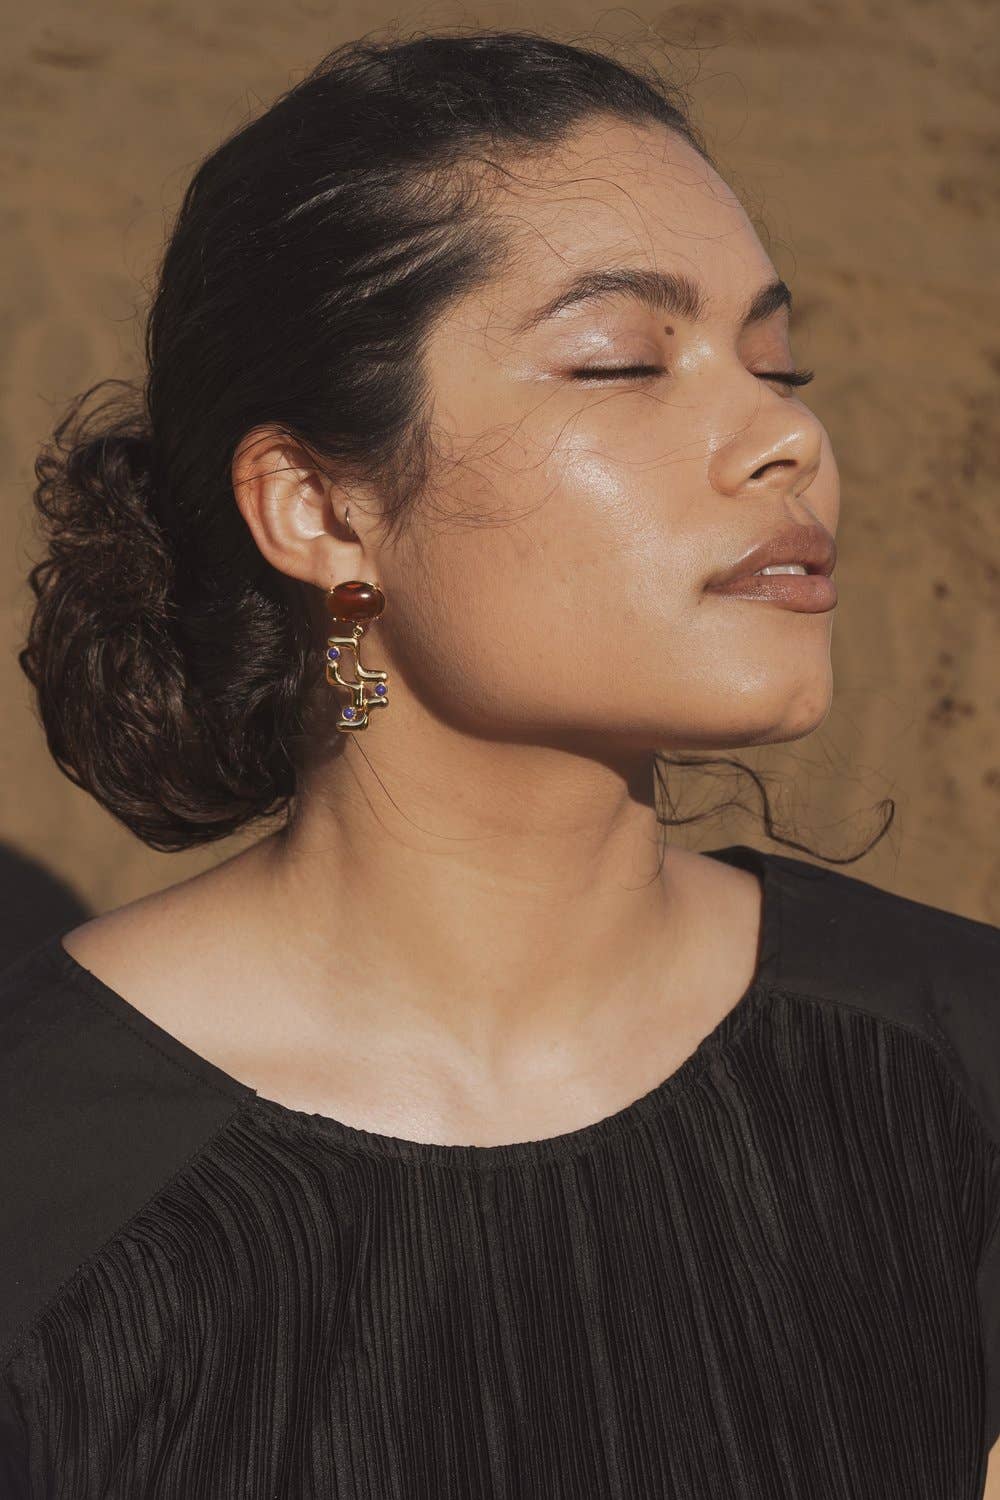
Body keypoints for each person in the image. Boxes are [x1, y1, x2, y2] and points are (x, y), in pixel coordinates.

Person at [2, 27, 998, 1499]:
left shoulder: (958, 1062)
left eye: (777, 361)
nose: (785, 432)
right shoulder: (41, 1164)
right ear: (322, 510)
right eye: (622, 363)